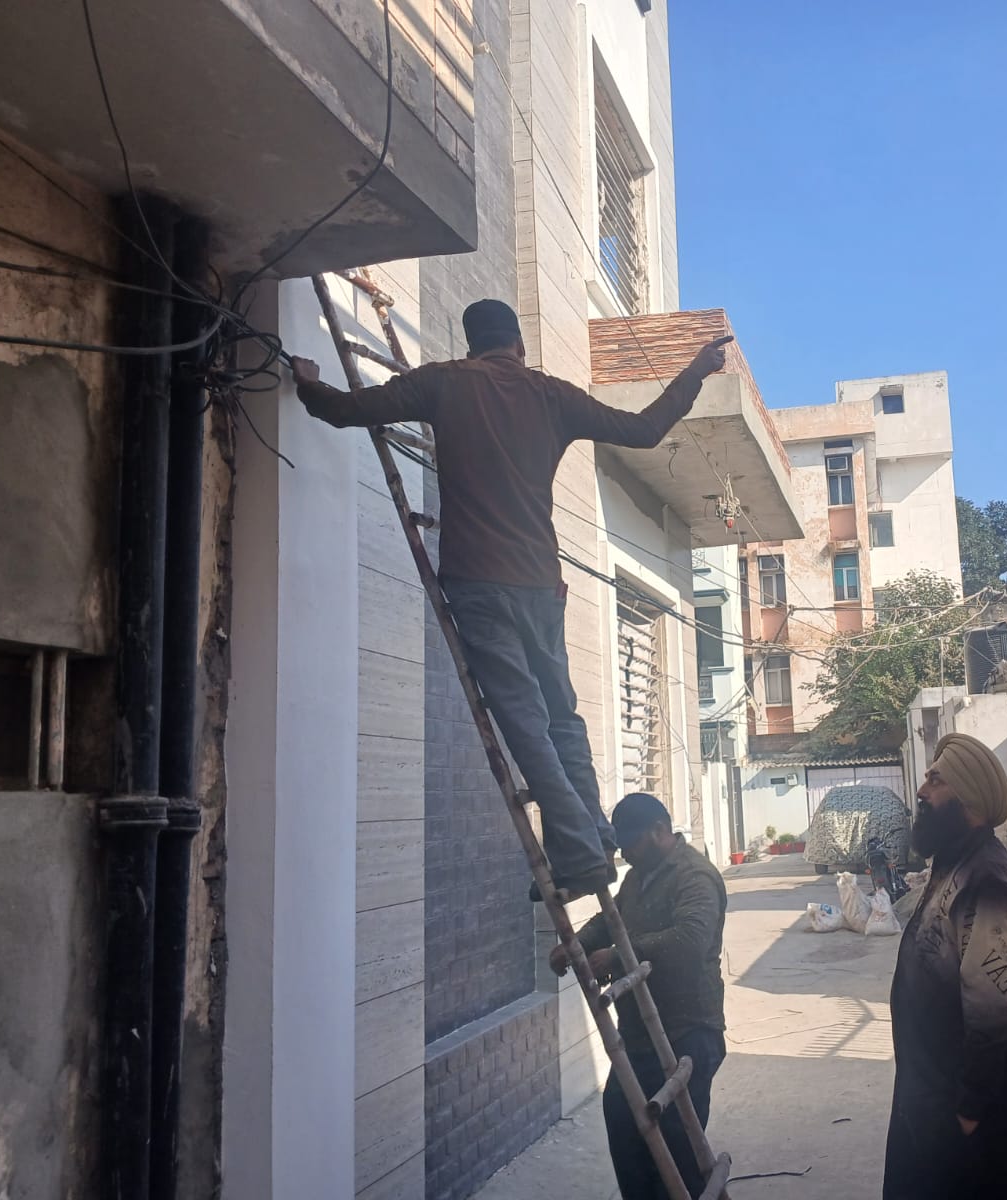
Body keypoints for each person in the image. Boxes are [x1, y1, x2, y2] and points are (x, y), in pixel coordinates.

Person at [290, 302, 731, 899]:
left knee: (526, 724)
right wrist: (696, 370)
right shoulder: (551, 395)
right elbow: (644, 429)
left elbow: (349, 410)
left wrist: (310, 385)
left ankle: (582, 854)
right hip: (541, 588)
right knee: (562, 720)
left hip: (479, 585)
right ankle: (596, 841)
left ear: (472, 344)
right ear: (519, 346)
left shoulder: (444, 382)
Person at [883, 733, 1007, 1200]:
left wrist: (970, 1111)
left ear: (968, 798)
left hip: (965, 1119)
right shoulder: (955, 865)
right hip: (930, 1101)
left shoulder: (986, 879)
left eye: (936, 781)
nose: (922, 791)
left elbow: (994, 1012)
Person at [549, 793, 728, 1199]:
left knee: (678, 1157)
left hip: (688, 1032)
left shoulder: (695, 876)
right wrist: (575, 944)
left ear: (659, 831)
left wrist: (618, 956)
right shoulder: (639, 876)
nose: (625, 853)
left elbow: (690, 941)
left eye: (630, 843)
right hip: (640, 1035)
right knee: (626, 1133)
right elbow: (610, 918)